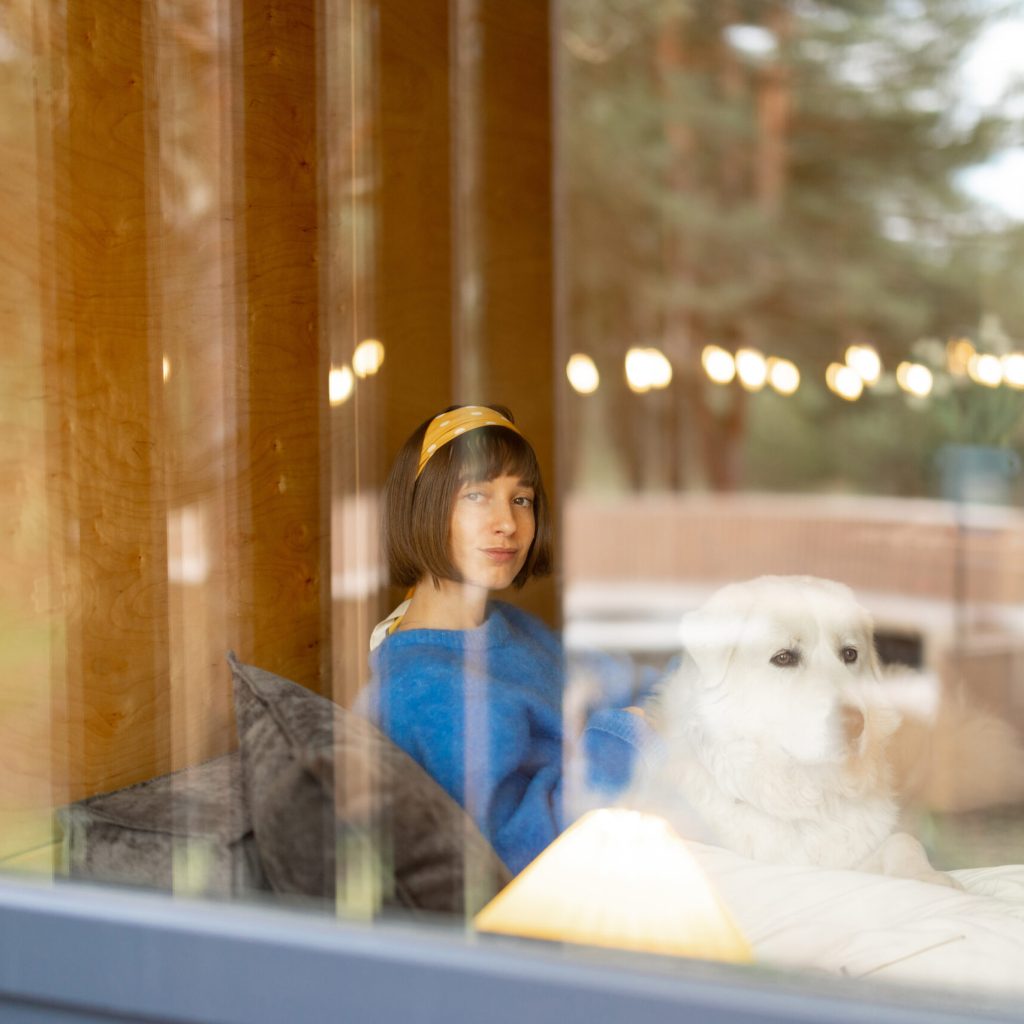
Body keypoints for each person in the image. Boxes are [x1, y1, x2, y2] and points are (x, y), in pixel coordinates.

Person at [356, 404, 658, 875]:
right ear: (422, 506)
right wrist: (632, 730)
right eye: (477, 496)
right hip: (583, 881)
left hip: (645, 823)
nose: (508, 524)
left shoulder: (507, 625)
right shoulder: (420, 688)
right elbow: (520, 848)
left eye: (521, 499)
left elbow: (620, 680)